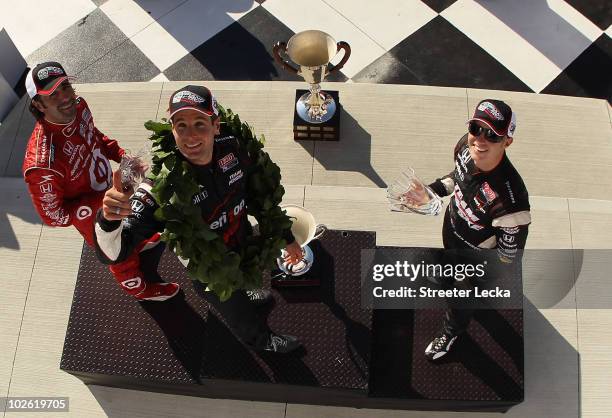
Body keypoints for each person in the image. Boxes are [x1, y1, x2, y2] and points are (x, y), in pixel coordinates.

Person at [94, 85, 304, 353]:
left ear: (216, 125)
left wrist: (286, 237)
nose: (190, 136)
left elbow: (260, 195)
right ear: (172, 130)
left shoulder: (235, 150)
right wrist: (109, 219)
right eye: (181, 125)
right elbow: (113, 253)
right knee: (237, 311)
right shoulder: (160, 188)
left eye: (200, 124)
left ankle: (247, 290)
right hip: (211, 273)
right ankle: (262, 341)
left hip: (243, 243)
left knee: (248, 280)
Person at [22, 61, 179, 302]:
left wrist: (121, 155)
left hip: (110, 190)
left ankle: (136, 243)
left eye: (65, 86)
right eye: (52, 94)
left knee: (129, 226)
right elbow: (53, 215)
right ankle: (138, 289)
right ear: (38, 104)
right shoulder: (41, 163)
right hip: (91, 216)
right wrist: (100, 205)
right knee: (116, 253)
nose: (64, 97)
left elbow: (94, 134)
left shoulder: (79, 105)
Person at [421, 99, 531, 361]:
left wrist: (479, 277)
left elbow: (509, 255)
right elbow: (457, 175)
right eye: (476, 128)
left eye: (493, 134)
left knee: (462, 299)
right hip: (452, 228)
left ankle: (451, 332)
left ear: (508, 141)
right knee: (448, 265)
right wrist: (432, 191)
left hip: (477, 258)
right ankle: (449, 275)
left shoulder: (511, 200)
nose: (480, 140)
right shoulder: (464, 145)